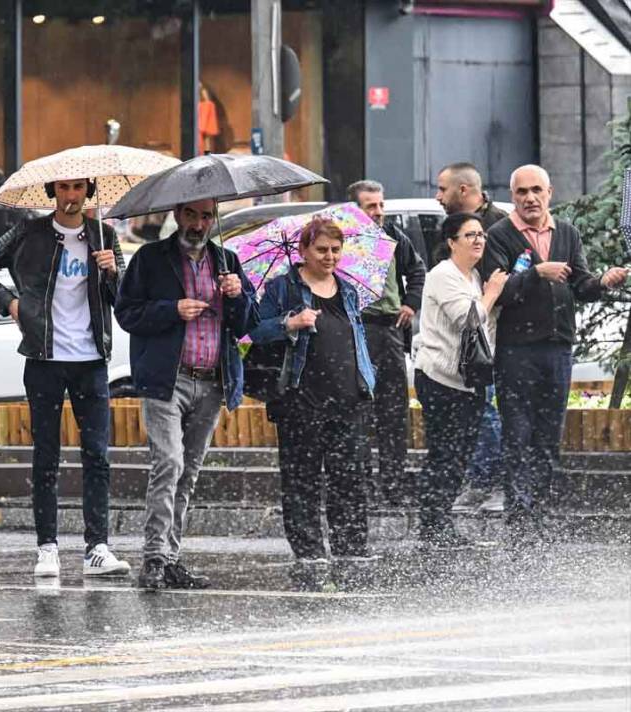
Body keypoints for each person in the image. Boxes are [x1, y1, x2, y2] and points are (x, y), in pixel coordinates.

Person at [0, 178, 129, 578]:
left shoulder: (103, 236)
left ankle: (97, 546)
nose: (71, 196)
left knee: (97, 455)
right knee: (46, 456)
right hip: (44, 357)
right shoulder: (30, 232)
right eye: (64, 189)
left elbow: (123, 303)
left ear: (88, 192)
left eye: (78, 189)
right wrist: (11, 304)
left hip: (92, 360)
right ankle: (47, 546)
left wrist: (112, 274)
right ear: (53, 192)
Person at [115, 198, 259, 591]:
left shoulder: (227, 260)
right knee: (170, 464)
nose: (199, 224)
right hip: (167, 379)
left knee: (188, 474)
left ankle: (172, 558)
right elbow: (126, 313)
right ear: (177, 215)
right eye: (192, 215)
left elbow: (248, 322)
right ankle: (155, 558)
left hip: (211, 381)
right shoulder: (150, 259)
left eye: (206, 216)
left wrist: (237, 295)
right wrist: (171, 309)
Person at [481, 164, 628, 545]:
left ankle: (539, 511)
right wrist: (536, 274)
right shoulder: (499, 235)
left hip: (558, 347)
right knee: (518, 433)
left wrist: (603, 281)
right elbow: (499, 292)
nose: (530, 198)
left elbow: (580, 284)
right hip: (517, 350)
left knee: (547, 436)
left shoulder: (567, 232)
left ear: (550, 192)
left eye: (536, 191)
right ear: (513, 196)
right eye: (521, 192)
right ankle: (518, 517)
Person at [250, 218, 376, 569]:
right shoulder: (282, 288)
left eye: (336, 250)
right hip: (300, 400)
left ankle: (350, 544)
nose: (330, 256)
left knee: (349, 477)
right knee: (302, 478)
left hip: (348, 399)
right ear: (303, 249)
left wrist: (367, 380)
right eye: (321, 249)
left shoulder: (347, 289)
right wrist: (289, 323)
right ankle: (309, 549)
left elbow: (357, 338)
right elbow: (256, 331)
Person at [414, 213, 507, 548]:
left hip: (467, 380)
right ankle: (432, 524)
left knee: (459, 454)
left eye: (481, 234)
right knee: (444, 453)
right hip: (440, 379)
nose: (478, 240)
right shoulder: (443, 275)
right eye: (469, 235)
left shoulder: (472, 275)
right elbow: (468, 319)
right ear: (452, 242)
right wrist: (493, 292)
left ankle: (439, 519)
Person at [434, 162, 509, 515]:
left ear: (463, 190)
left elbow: (502, 282)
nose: (438, 196)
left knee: (487, 412)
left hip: (490, 336)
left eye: (442, 188)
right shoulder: (449, 230)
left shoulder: (498, 226)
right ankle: (479, 480)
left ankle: (490, 482)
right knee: (477, 414)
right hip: (461, 339)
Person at [347, 180, 426, 508]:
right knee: (358, 411)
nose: (378, 212)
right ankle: (361, 484)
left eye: (381, 205)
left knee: (393, 412)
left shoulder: (394, 236)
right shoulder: (343, 239)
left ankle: (393, 483)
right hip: (356, 331)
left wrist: (410, 303)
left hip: (390, 330)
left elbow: (418, 270)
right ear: (356, 209)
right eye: (371, 206)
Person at [435, 162, 507, 229]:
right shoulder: (448, 225)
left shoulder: (504, 225)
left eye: (443, 190)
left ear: (463, 190)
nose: (438, 197)